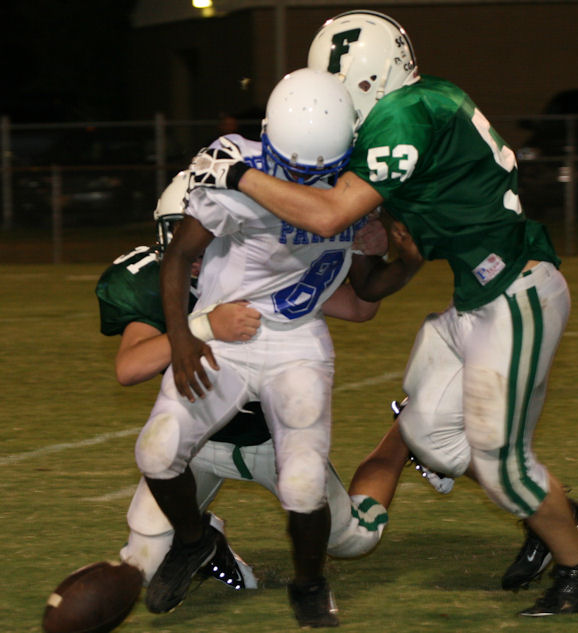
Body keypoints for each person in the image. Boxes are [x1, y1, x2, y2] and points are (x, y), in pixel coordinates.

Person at [192, 11, 578, 617]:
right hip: (478, 297)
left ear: (364, 81)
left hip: (517, 294)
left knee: (501, 460)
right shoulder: (422, 104)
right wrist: (388, 234)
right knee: (430, 437)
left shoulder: (402, 115)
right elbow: (395, 222)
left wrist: (237, 174)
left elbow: (328, 214)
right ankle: (554, 514)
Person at [132, 67, 414, 628]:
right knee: (156, 452)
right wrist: (186, 336)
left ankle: (309, 585)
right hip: (230, 338)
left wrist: (407, 261)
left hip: (297, 341)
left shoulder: (356, 181)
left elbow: (366, 288)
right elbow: (177, 256)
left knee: (304, 482)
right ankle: (194, 543)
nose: (309, 183)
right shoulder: (236, 167)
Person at [96, 168, 412, 599]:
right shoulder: (153, 280)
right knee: (147, 563)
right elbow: (129, 367)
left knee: (355, 541)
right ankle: (206, 544)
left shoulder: (264, 266)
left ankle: (402, 437)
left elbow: (359, 309)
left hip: (274, 442)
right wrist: (207, 325)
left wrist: (362, 247)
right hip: (201, 442)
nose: (199, 254)